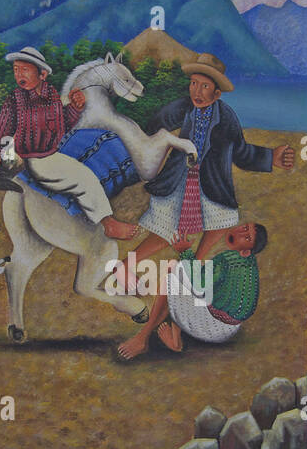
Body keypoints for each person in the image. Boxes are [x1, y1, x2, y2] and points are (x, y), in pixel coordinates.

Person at [117, 53, 293, 292]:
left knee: (223, 217)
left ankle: (196, 261)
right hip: (178, 176)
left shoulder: (227, 118)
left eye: (205, 86)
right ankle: (127, 265)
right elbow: (155, 124)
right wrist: (132, 134)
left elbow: (241, 152)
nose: (196, 91)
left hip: (211, 180)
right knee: (167, 226)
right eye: (193, 84)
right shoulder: (183, 107)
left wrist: (271, 157)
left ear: (217, 93)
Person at [0, 46, 137, 239]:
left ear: (42, 74)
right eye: (15, 69)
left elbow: (62, 124)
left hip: (52, 151)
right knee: (84, 177)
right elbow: (4, 123)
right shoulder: (16, 99)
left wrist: (74, 108)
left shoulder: (51, 96)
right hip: (37, 158)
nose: (18, 74)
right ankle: (108, 223)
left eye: (24, 69)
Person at [116, 221, 266, 360]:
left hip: (211, 326)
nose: (240, 233)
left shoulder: (227, 259)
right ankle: (174, 325)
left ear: (246, 251)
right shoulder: (249, 263)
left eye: (246, 238)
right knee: (182, 276)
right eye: (245, 228)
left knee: (172, 270)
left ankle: (146, 339)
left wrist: (185, 251)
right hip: (231, 328)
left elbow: (199, 285)